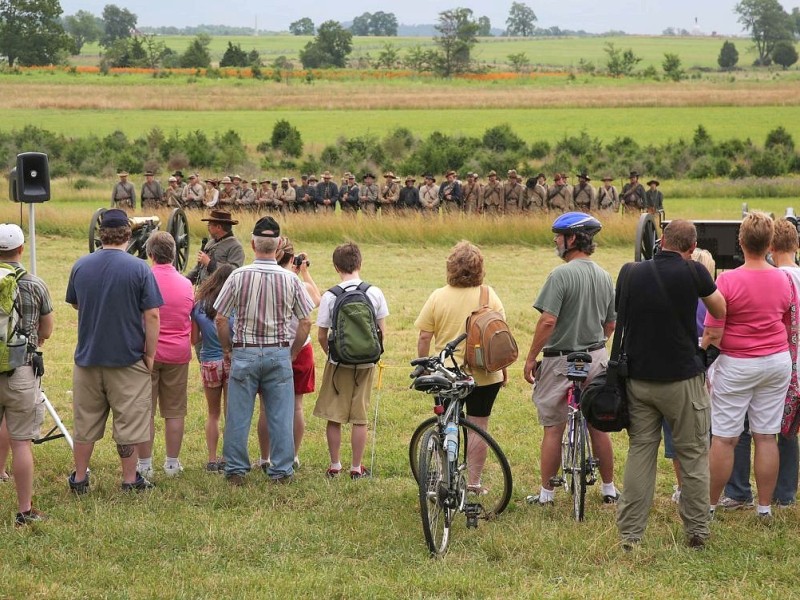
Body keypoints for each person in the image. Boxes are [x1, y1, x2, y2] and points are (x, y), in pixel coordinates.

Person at [615, 219, 725, 549]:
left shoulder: (629, 272)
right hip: (682, 378)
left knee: (640, 453)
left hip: (638, 378)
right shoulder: (694, 272)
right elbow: (719, 308)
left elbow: (623, 312)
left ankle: (630, 535)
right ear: (691, 248)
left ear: (661, 240)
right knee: (692, 455)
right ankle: (696, 532)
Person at [523, 212, 619, 507]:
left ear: (572, 239)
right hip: (595, 357)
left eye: (559, 236)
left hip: (561, 359)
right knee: (598, 425)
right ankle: (609, 489)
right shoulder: (604, 276)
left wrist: (530, 358)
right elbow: (610, 325)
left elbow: (548, 321)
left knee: (554, 427)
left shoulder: (559, 275)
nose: (555, 240)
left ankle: (547, 494)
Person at [66, 209, 162, 494]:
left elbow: (75, 303)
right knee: (129, 423)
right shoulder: (139, 268)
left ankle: (80, 478)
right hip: (127, 357)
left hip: (88, 358)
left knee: (85, 423)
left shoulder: (81, 266)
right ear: (128, 235)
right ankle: (129, 479)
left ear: (101, 234)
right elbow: (153, 315)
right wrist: (150, 354)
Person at [704, 211, 793, 519]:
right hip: (776, 361)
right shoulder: (784, 280)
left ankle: (710, 505)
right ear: (770, 244)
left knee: (725, 437)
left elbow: (714, 330)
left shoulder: (727, 280)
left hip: (738, 363)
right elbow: (785, 322)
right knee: (766, 436)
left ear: (740, 242)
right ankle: (765, 507)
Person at [214, 217, 313, 485]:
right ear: (279, 245)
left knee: (238, 415)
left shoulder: (238, 275)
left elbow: (220, 318)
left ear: (253, 243)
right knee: (281, 414)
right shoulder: (290, 280)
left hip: (244, 351)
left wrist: (227, 348)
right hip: (278, 352)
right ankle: (281, 470)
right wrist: (292, 352)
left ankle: (235, 469)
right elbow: (305, 320)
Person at [415, 241, 507, 493]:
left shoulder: (438, 296)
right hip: (486, 374)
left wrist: (424, 367)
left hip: (446, 373)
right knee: (479, 426)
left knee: (445, 422)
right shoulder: (489, 295)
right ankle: (474, 483)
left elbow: (424, 337)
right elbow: (500, 336)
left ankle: (445, 476)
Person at [314, 242, 389, 479]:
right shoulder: (374, 292)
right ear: (360, 263)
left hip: (338, 363)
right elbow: (381, 331)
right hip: (367, 362)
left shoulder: (330, 295)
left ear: (336, 267)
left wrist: (332, 354)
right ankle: (356, 467)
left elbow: (321, 334)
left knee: (334, 416)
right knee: (360, 418)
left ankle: (335, 464)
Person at [0, 224, 53, 525]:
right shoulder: (35, 284)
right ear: (21, 249)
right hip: (20, 370)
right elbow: (46, 328)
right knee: (21, 442)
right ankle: (24, 511)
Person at [255, 237, 321, 471]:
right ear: (292, 259)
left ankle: (266, 457)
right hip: (300, 349)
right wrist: (304, 273)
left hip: (272, 346)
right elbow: (317, 300)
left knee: (266, 408)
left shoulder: (266, 281)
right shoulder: (298, 284)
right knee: (296, 407)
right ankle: (291, 455)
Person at [136, 232, 194, 479]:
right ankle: (172, 463)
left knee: (144, 410)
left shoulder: (144, 279)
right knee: (174, 411)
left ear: (150, 254)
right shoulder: (186, 284)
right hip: (178, 353)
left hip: (146, 352)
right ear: (173, 253)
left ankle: (144, 464)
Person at [664, 247, 716, 504]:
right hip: (709, 365)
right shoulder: (712, 301)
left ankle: (683, 486)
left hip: (679, 365)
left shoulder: (674, 298)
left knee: (675, 432)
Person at [191, 263, 235, 472]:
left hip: (209, 359)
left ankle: (211, 458)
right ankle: (228, 457)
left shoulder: (199, 305)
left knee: (213, 413)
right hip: (232, 360)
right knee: (230, 412)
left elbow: (194, 338)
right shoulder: (235, 304)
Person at [186, 209, 245, 286]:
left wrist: (210, 263)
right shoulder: (210, 242)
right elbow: (198, 269)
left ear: (218, 227)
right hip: (203, 291)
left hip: (220, 293)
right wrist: (185, 281)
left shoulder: (236, 247)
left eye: (209, 225)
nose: (208, 227)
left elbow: (234, 272)